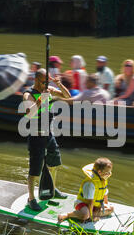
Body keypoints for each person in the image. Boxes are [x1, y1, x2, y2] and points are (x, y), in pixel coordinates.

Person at [22, 68, 72, 211]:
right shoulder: (28, 94)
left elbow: (67, 96)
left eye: (48, 81)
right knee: (35, 169)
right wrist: (40, 100)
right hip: (36, 136)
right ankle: (31, 198)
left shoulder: (49, 89)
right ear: (36, 80)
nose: (46, 84)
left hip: (48, 134)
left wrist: (59, 84)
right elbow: (29, 114)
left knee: (54, 161)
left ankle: (52, 188)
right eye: (44, 81)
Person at [58, 158, 114, 223]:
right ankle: (68, 215)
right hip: (83, 204)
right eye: (107, 172)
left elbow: (105, 193)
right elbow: (90, 202)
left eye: (110, 172)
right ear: (99, 172)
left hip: (95, 205)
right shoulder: (90, 184)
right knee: (85, 215)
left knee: (111, 208)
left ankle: (93, 214)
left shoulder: (103, 180)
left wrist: (105, 204)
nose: (109, 174)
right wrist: (90, 216)